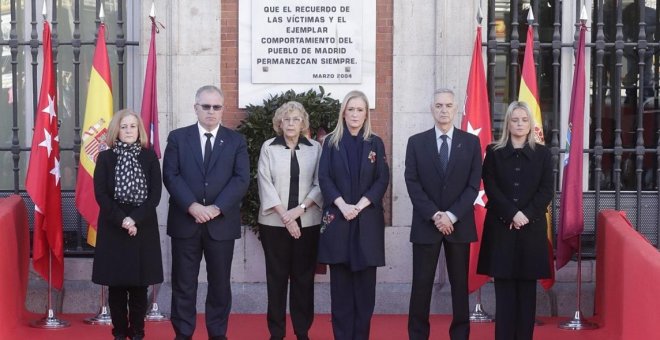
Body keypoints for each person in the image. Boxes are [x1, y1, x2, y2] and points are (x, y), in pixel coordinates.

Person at [163, 85, 250, 340]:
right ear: (196, 108)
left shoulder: (236, 141)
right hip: (185, 222)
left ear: (222, 109)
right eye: (206, 106)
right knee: (183, 284)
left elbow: (241, 179)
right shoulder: (178, 138)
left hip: (220, 223)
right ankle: (183, 334)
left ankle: (217, 334)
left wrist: (215, 208)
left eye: (216, 107)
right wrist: (192, 206)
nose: (211, 112)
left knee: (220, 285)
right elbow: (171, 175)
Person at [404, 88, 482, 340]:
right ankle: (417, 335)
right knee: (421, 286)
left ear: (456, 108)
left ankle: (460, 335)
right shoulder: (416, 142)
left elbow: (473, 185)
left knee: (460, 287)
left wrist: (451, 215)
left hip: (458, 225)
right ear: (431, 109)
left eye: (448, 105)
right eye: (439, 105)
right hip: (427, 224)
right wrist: (436, 215)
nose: (443, 110)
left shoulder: (471, 143)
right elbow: (412, 182)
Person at [477, 101, 553, 340]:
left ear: (531, 124)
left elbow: (546, 190)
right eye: (514, 120)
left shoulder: (542, 154)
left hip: (531, 231)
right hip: (502, 230)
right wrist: (511, 213)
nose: (519, 124)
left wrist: (525, 215)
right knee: (505, 293)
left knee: (527, 295)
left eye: (524, 120)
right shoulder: (494, 152)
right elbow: (491, 186)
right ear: (507, 124)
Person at [317, 90, 390, 340]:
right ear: (343, 113)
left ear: (366, 113)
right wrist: (342, 205)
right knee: (341, 294)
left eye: (360, 110)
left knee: (365, 294)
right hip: (339, 222)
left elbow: (382, 179)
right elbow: (324, 178)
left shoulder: (375, 142)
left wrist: (359, 206)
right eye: (351, 109)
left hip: (367, 222)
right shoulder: (330, 142)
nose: (355, 114)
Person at [91, 109, 163, 340]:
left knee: (140, 286)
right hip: (114, 226)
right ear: (116, 131)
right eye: (124, 127)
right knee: (117, 287)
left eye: (133, 126)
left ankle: (138, 332)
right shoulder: (105, 158)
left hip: (143, 227)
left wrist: (135, 219)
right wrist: (123, 219)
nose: (129, 130)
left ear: (139, 129)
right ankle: (120, 333)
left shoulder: (149, 157)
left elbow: (155, 195)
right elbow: (101, 194)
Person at [257, 101, 323, 340]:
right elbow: (265, 183)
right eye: (287, 119)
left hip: (307, 223)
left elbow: (320, 183)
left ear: (303, 123)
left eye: (296, 119)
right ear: (279, 123)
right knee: (276, 279)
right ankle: (276, 333)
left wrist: (299, 212)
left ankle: (302, 331)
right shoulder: (269, 148)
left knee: (303, 279)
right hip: (274, 225)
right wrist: (286, 216)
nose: (291, 123)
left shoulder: (315, 148)